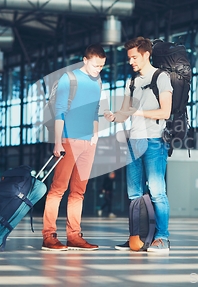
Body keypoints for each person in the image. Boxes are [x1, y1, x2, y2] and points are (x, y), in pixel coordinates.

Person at [104, 36, 173, 253]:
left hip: (154, 141)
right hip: (134, 141)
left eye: (134, 57)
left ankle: (162, 238)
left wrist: (139, 112)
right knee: (133, 193)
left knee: (156, 191)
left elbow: (165, 112)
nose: (131, 61)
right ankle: (136, 237)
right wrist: (114, 116)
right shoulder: (132, 82)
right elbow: (125, 114)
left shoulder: (161, 77)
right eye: (129, 58)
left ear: (146, 54)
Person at [41, 44, 106, 251]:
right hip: (68, 139)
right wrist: (58, 141)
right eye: (96, 65)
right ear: (85, 60)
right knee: (58, 189)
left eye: (102, 66)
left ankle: (74, 235)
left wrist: (95, 135)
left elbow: (96, 110)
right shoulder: (68, 79)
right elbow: (59, 111)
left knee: (78, 192)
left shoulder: (99, 82)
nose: (98, 70)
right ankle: (49, 235)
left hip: (89, 143)